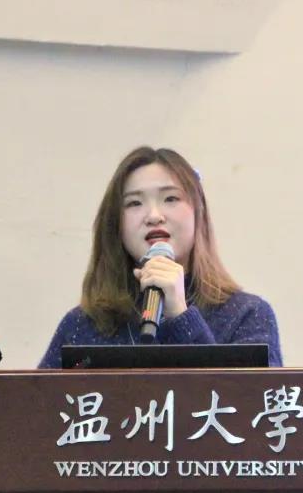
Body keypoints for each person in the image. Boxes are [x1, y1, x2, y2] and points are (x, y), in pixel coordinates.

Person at [38, 146, 282, 368]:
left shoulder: (247, 315)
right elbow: (37, 400)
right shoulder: (83, 324)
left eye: (171, 199)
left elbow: (245, 399)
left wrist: (181, 316)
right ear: (115, 225)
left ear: (198, 214)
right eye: (135, 203)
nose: (154, 216)